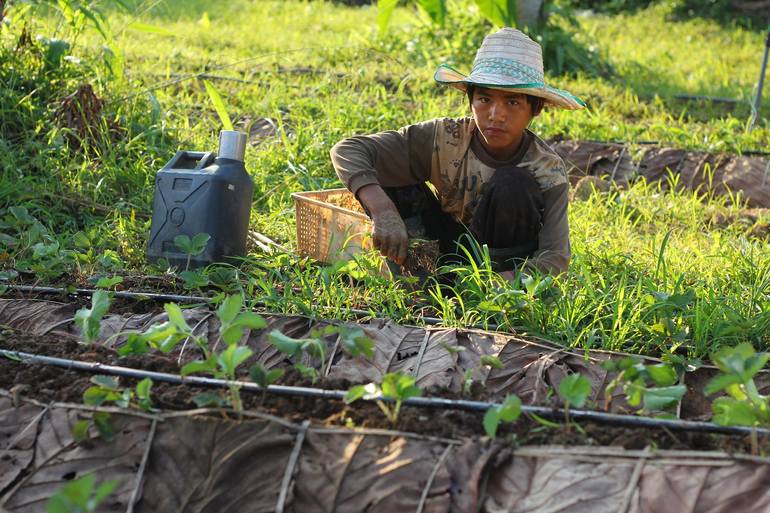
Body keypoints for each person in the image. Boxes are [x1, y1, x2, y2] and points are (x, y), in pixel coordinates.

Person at [330, 28, 585, 277]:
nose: (496, 115)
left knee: (513, 183)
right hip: (444, 249)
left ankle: (482, 287)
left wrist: (509, 282)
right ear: (471, 100)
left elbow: (555, 256)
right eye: (485, 100)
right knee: (388, 179)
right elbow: (348, 150)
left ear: (535, 108)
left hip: (500, 273)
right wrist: (382, 210)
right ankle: (419, 276)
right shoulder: (444, 137)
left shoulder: (547, 170)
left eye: (512, 102)